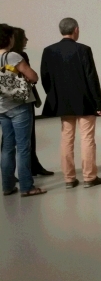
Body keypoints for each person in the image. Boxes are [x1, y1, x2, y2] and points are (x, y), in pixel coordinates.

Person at [41, 18, 101, 189]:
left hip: (63, 102)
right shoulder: (83, 50)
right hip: (84, 101)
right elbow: (91, 78)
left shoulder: (49, 51)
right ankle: (89, 177)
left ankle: (69, 179)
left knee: (66, 138)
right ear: (76, 29)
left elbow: (45, 78)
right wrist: (99, 103)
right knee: (87, 138)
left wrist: (55, 95)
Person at [0, 24, 47, 197]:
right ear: (9, 38)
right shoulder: (12, 56)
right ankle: (27, 187)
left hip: (2, 107)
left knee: (7, 147)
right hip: (19, 105)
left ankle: (7, 186)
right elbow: (33, 76)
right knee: (23, 147)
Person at [10, 28, 54, 177]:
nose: (27, 40)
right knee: (27, 137)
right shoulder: (20, 56)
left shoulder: (3, 56)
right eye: (24, 37)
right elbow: (32, 77)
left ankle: (10, 175)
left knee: (8, 140)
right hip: (23, 99)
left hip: (6, 101)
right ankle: (29, 172)